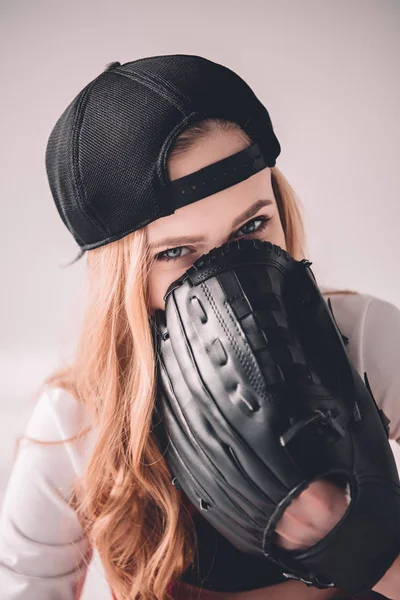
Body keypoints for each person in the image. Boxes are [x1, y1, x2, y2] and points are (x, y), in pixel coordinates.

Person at [1, 55, 400, 600]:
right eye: (178, 252)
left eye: (253, 225)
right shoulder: (80, 418)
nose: (231, 272)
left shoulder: (363, 337)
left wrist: (353, 545)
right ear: (125, 275)